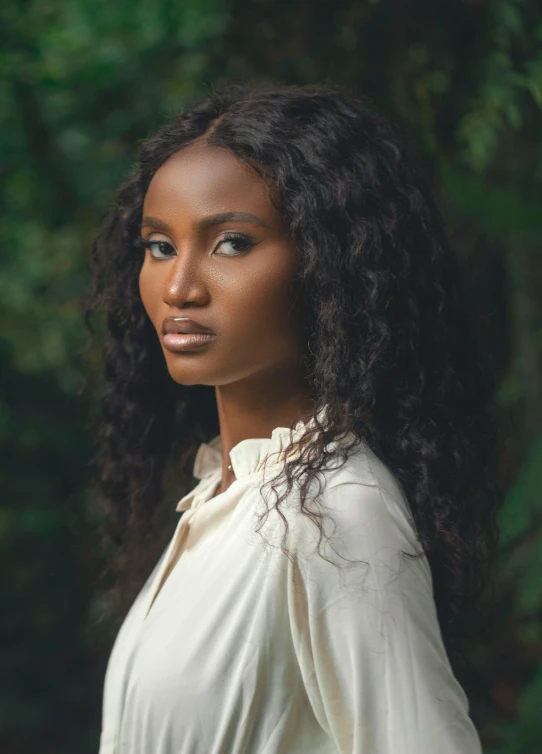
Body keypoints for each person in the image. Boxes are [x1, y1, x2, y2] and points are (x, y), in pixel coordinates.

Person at [86, 80, 501, 754]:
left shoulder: (335, 511)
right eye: (159, 246)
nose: (179, 287)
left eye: (231, 244)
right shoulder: (222, 497)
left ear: (330, 261)